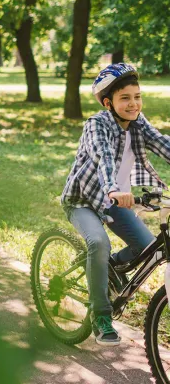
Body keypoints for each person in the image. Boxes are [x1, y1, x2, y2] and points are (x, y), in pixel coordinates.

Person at [61, 62, 170, 346]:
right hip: (83, 199)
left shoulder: (138, 122)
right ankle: (101, 315)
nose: (134, 104)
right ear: (108, 103)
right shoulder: (96, 124)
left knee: (146, 248)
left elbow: (161, 144)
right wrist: (112, 188)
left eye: (137, 96)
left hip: (114, 200)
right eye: (125, 98)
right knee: (98, 243)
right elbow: (104, 157)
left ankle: (104, 269)